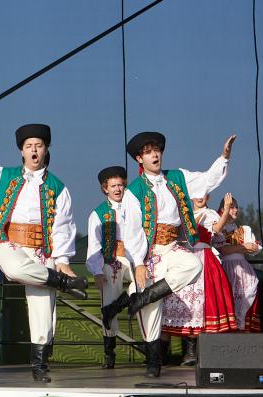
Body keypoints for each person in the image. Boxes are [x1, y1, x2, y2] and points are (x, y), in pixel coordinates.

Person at [0, 124, 85, 382]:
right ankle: (61, 283)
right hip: (10, 242)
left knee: (43, 310)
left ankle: (39, 365)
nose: (34, 150)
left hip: (42, 248)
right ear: (21, 151)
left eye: (38, 145)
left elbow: (63, 226)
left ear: (46, 149)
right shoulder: (6, 176)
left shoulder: (58, 187)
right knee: (14, 268)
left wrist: (62, 261)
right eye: (29, 146)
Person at [101, 131, 234, 377]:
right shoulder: (134, 191)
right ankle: (153, 361)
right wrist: (139, 264)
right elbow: (132, 231)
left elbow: (206, 181)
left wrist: (223, 157)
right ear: (140, 159)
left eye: (157, 150)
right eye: (148, 152)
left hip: (172, 247)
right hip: (149, 252)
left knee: (193, 265)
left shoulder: (177, 177)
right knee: (151, 311)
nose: (155, 155)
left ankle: (144, 296)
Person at [162, 193, 237, 365]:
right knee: (176, 303)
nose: (199, 197)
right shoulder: (183, 214)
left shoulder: (209, 214)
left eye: (203, 194)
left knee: (197, 304)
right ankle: (161, 354)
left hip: (202, 258)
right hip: (182, 259)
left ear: (208, 197)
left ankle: (191, 353)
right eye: (196, 193)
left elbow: (216, 229)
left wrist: (226, 210)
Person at [86, 166, 132, 369]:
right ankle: (109, 353)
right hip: (111, 259)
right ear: (105, 188)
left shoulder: (135, 207)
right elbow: (94, 246)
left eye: (120, 185)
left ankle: (117, 306)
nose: (117, 189)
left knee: (145, 285)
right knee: (108, 299)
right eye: (113, 186)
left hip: (134, 258)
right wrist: (97, 271)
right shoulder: (98, 214)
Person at [217, 194, 262, 331]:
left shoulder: (244, 229)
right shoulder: (219, 229)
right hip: (227, 269)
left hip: (243, 268)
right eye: (231, 207)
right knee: (229, 298)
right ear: (223, 209)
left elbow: (252, 249)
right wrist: (244, 247)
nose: (235, 210)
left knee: (249, 294)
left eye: (236, 207)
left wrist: (251, 247)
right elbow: (223, 250)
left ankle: (244, 333)